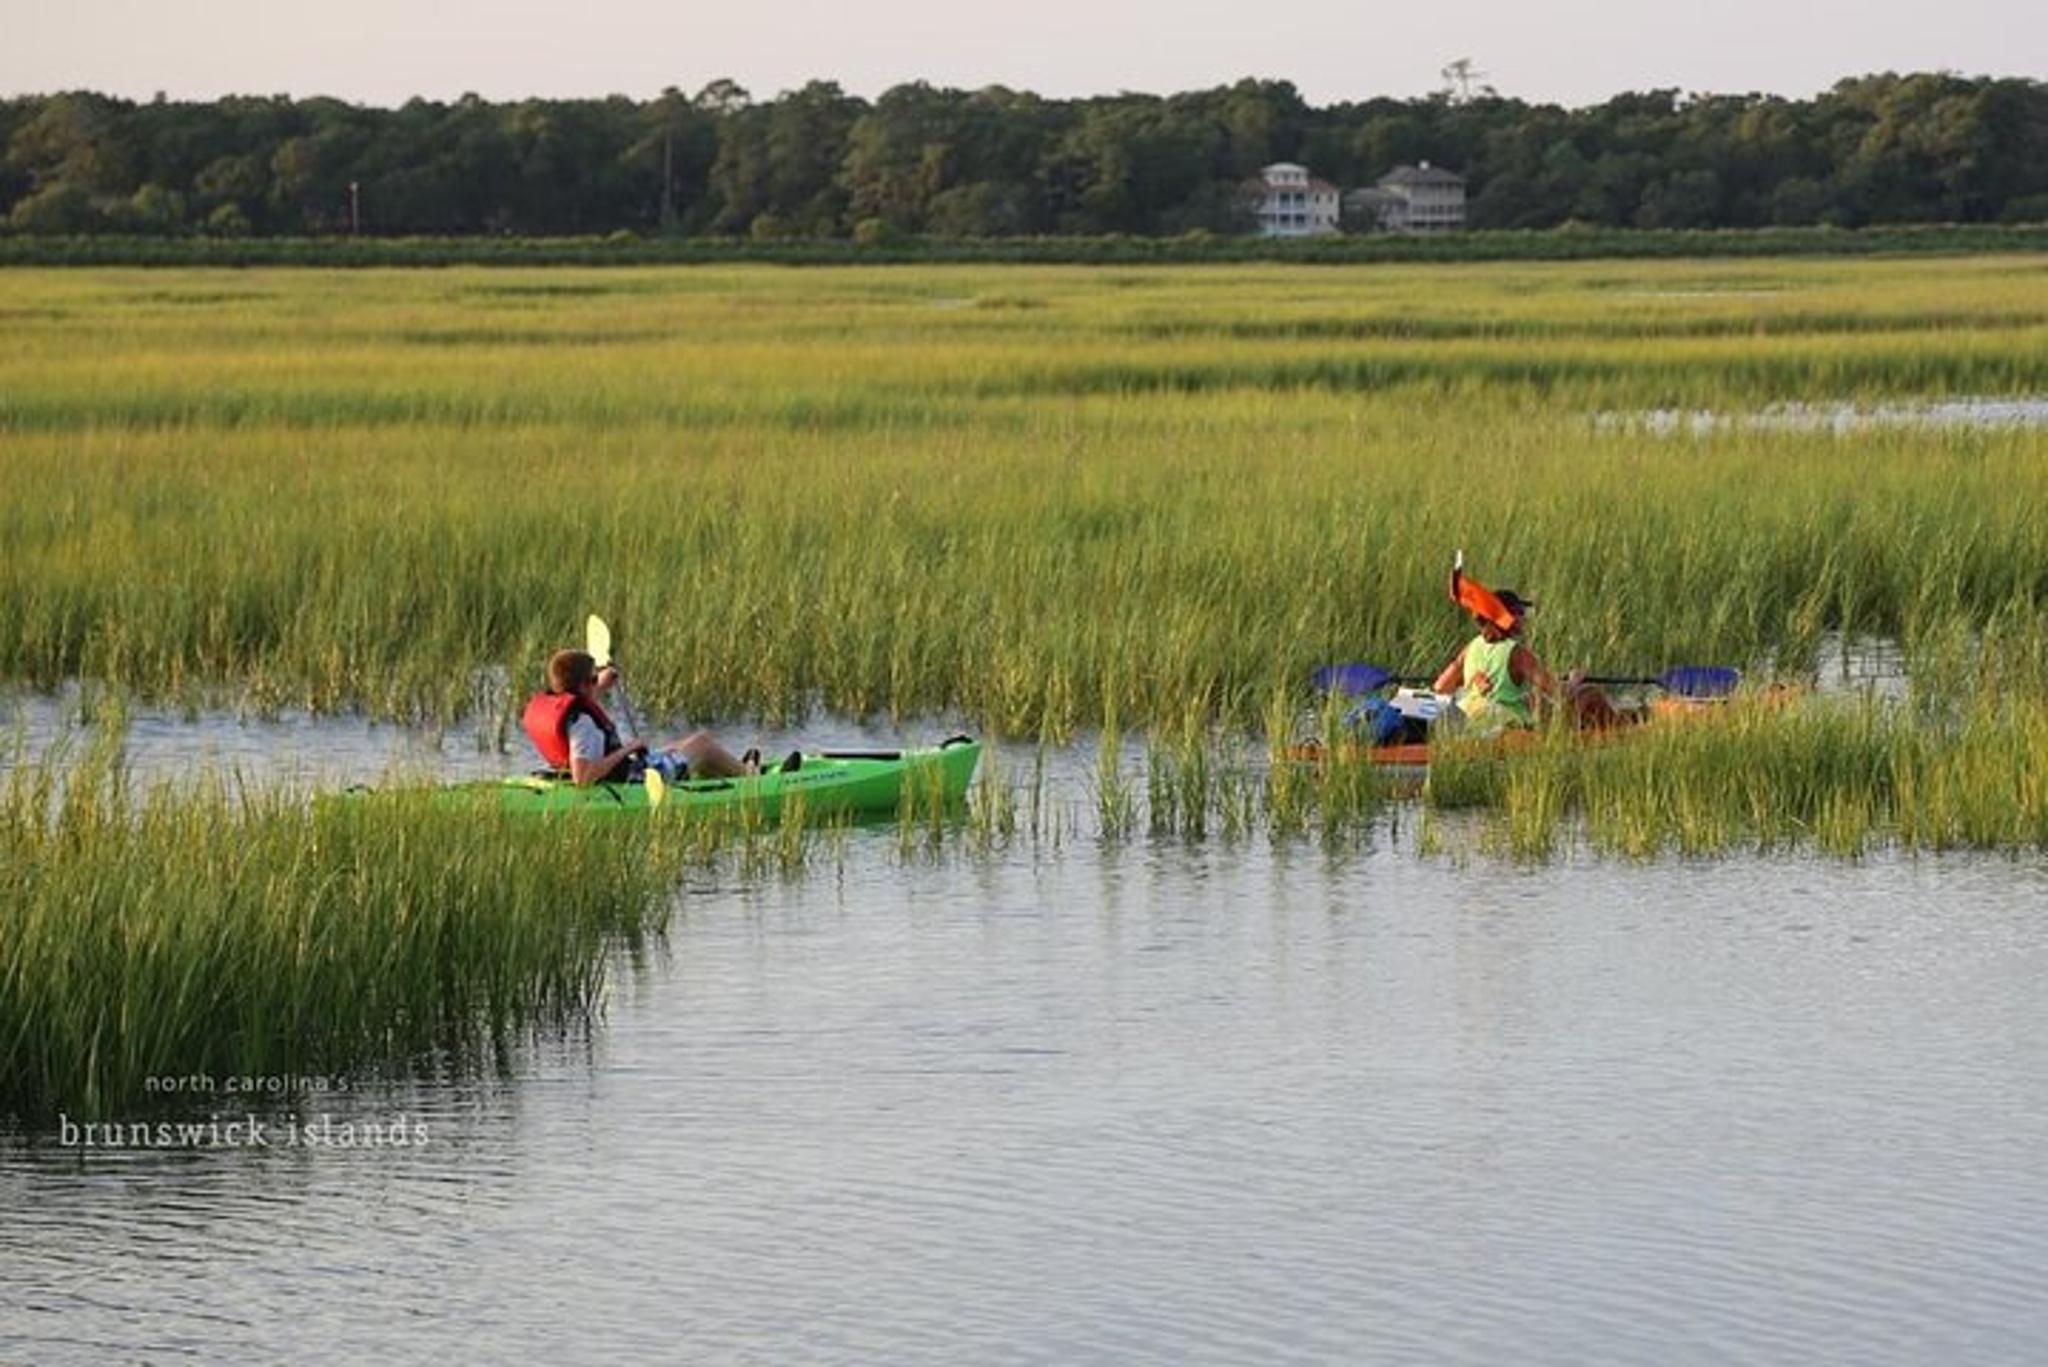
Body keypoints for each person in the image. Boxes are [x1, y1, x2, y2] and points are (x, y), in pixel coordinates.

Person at [520, 649, 754, 785]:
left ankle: (718, 776)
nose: (595, 683)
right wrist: (628, 748)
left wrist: (600, 683)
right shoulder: (584, 725)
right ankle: (751, 779)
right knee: (703, 744)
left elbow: (580, 701)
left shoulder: (568, 709)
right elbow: (583, 776)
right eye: (592, 679)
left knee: (683, 745)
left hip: (623, 772)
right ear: (582, 686)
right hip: (632, 781)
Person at [1431, 590, 1617, 734]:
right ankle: (1623, 732)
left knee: (1532, 699)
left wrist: (1471, 682)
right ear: (1505, 617)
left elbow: (1441, 688)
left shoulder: (1470, 648)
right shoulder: (1518, 654)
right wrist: (1575, 679)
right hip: (1504, 725)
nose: (1523, 618)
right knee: (1590, 693)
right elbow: (1559, 694)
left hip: (1471, 719)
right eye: (1519, 612)